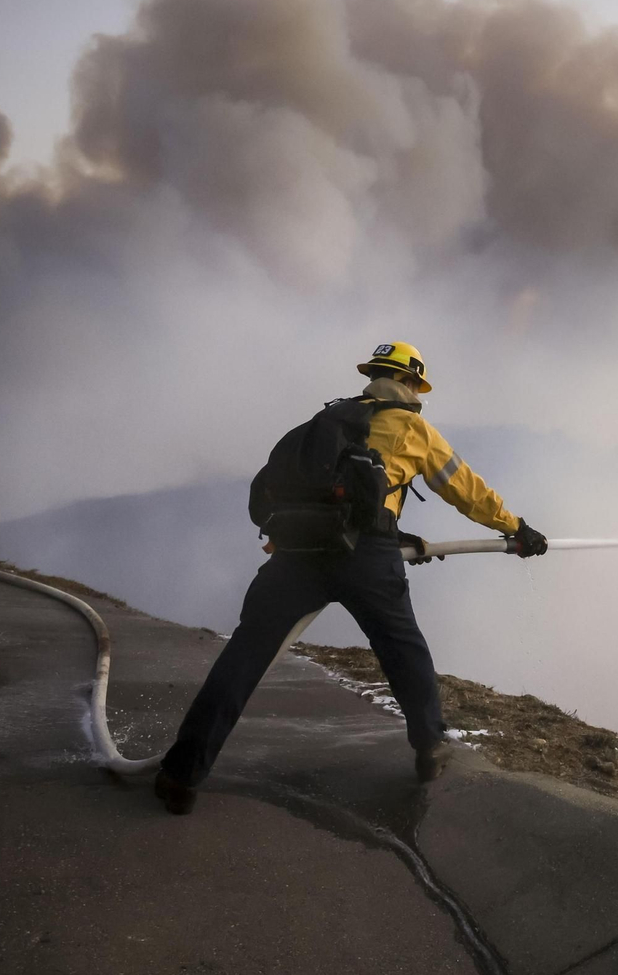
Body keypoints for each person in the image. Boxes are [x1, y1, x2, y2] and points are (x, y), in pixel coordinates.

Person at [154, 342, 547, 814]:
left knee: (244, 657)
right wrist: (516, 528)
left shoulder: (328, 421)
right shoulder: (413, 428)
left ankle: (180, 775)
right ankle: (429, 746)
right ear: (410, 382)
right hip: (366, 557)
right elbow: (466, 490)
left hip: (298, 552)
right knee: (403, 649)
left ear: (373, 376)